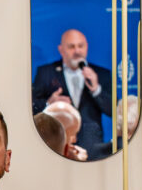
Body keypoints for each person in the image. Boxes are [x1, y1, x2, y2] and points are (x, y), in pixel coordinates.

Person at [31, 28, 114, 159]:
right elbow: (31, 106)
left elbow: (114, 110)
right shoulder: (46, 72)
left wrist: (96, 90)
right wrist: (49, 103)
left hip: (92, 150)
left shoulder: (101, 74)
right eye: (71, 47)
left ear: (87, 47)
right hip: (55, 147)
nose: (77, 51)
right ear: (61, 50)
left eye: (81, 46)